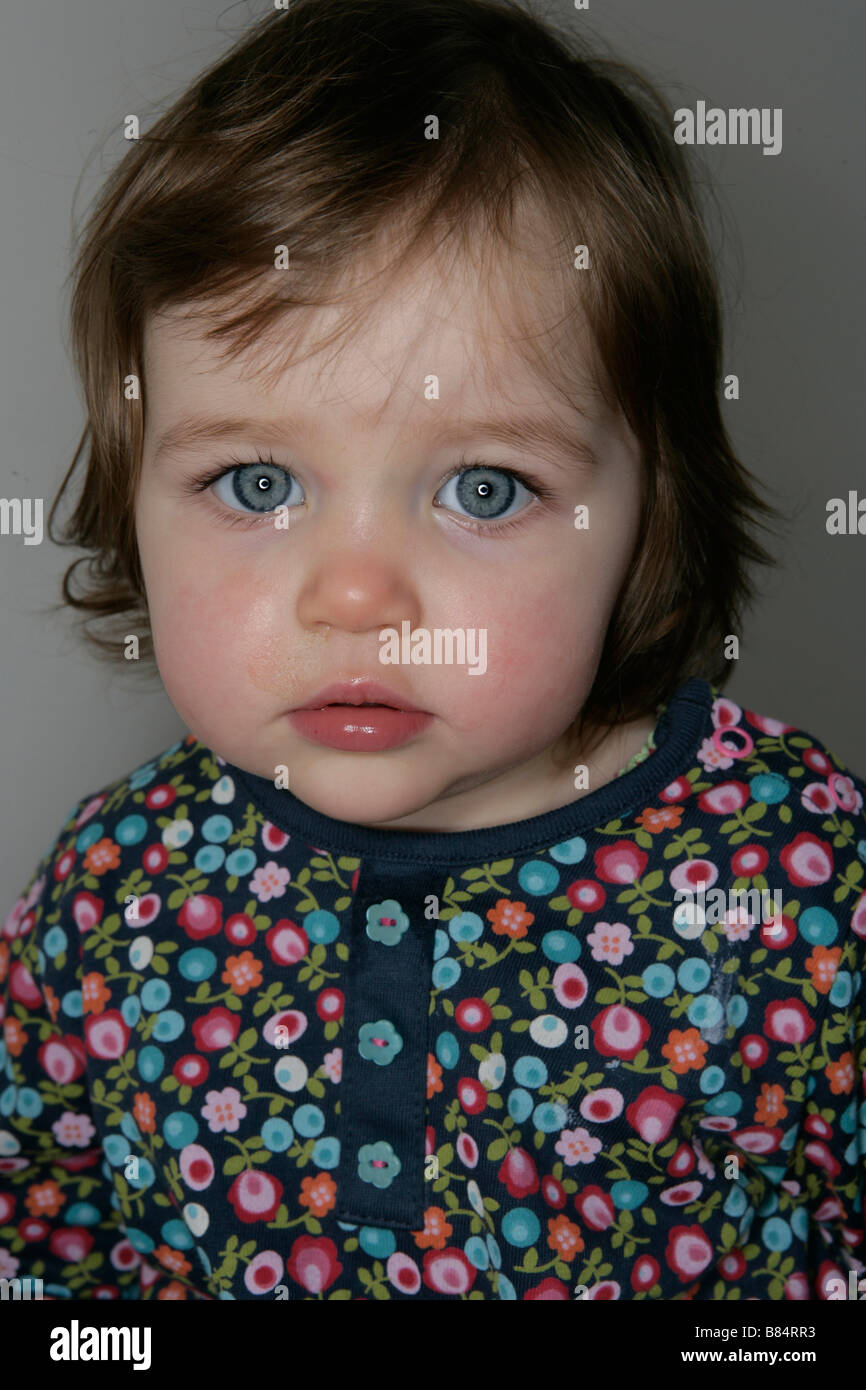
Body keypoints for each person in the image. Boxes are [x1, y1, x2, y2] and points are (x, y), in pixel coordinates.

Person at [1, 0, 862, 1301]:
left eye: (482, 489)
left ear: (649, 516)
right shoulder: (107, 889)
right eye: (251, 481)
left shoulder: (803, 883)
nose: (355, 597)